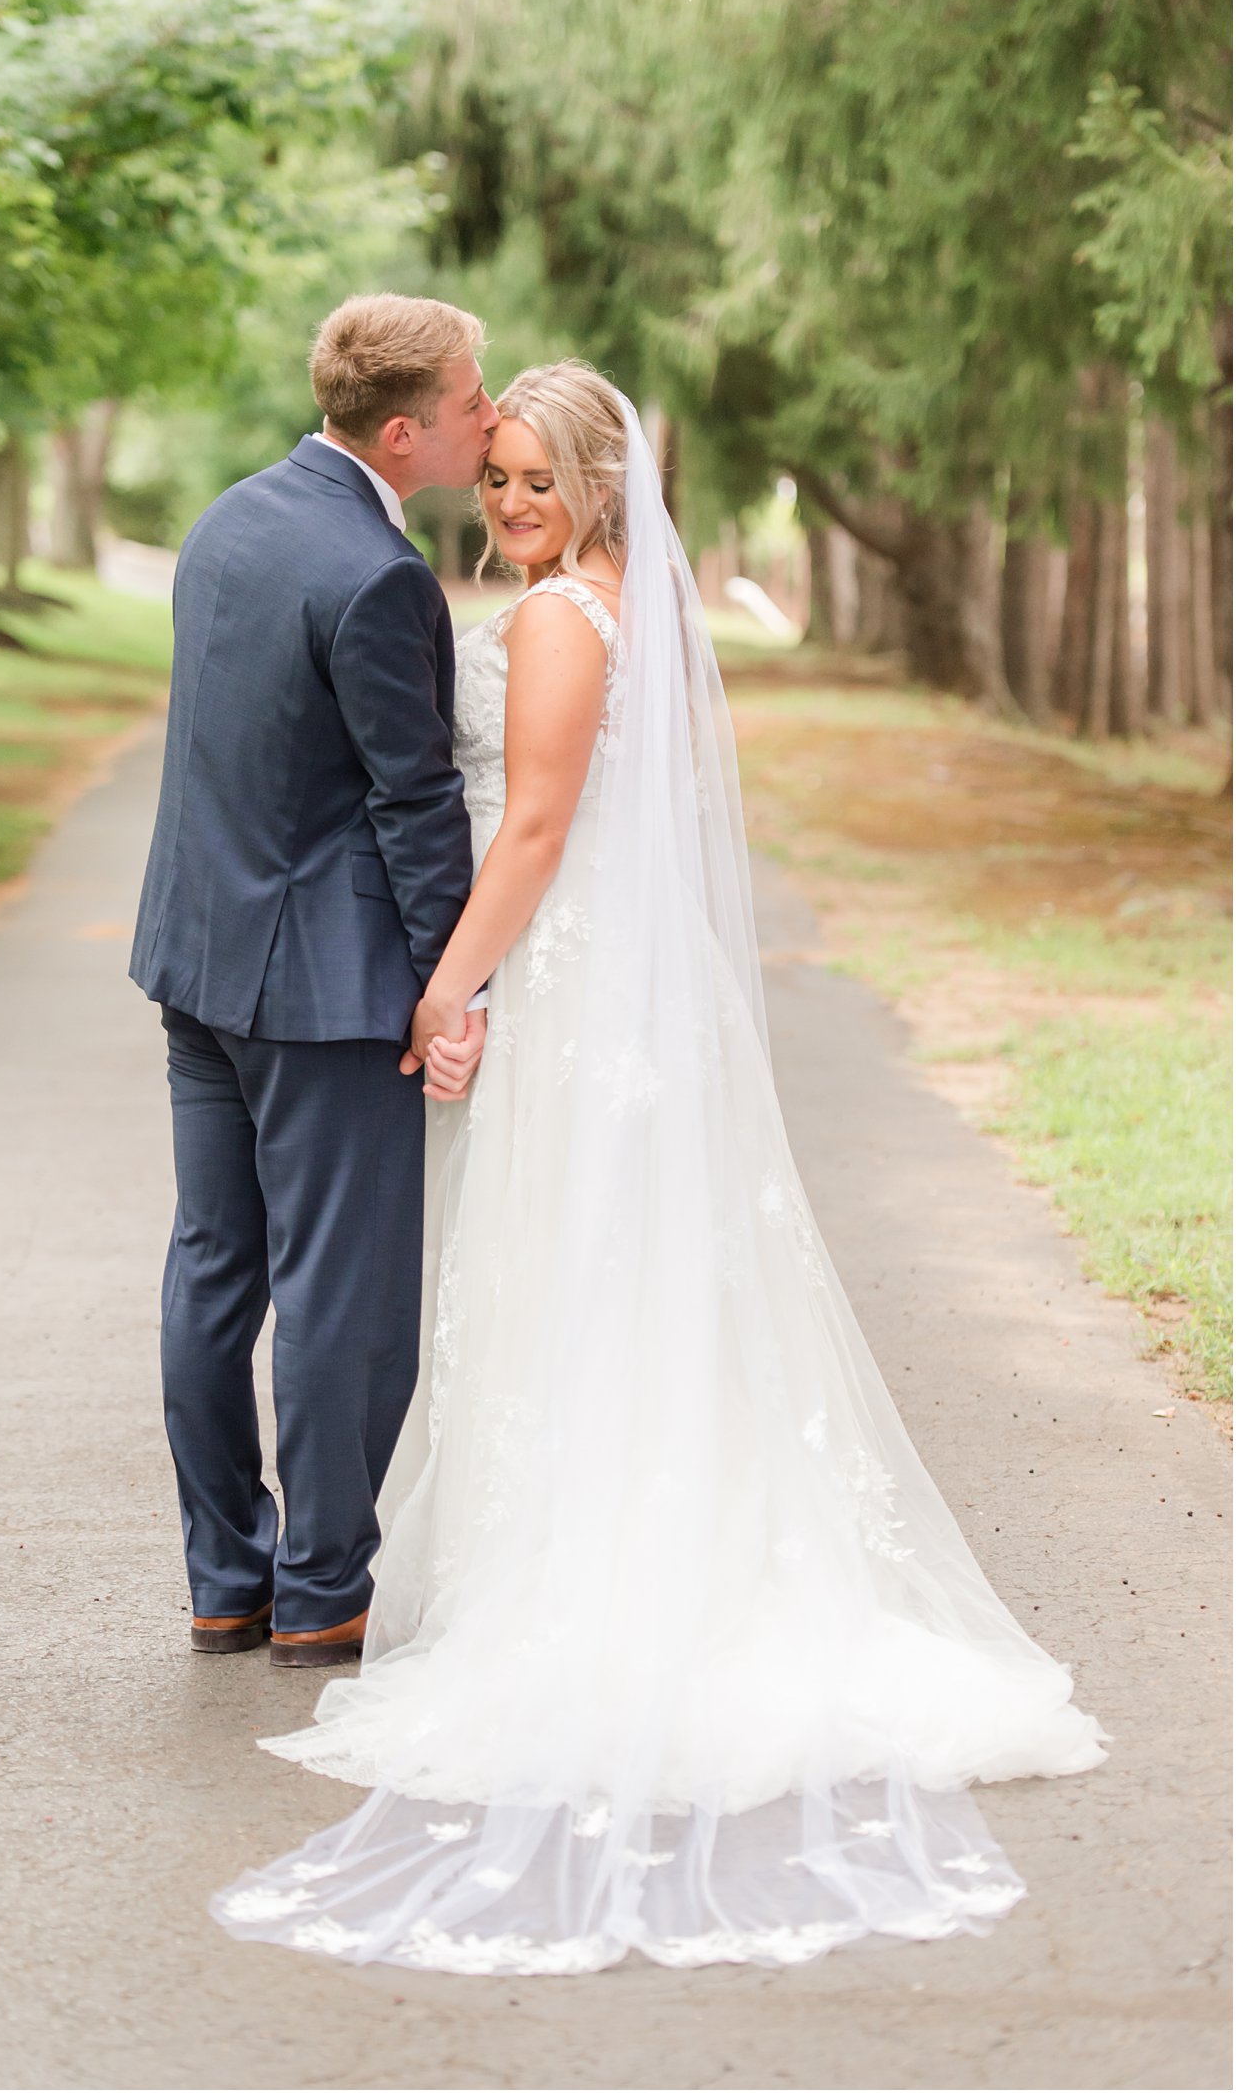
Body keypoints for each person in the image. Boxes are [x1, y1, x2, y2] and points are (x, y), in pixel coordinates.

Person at [211, 361, 1108, 1975]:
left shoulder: (565, 621)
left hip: (560, 981)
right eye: (496, 481)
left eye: (538, 479)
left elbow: (538, 829)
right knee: (591, 1276)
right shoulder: (596, 601)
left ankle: (596, 1583)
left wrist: (447, 981)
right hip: (591, 979)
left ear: (603, 486)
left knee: (567, 1273)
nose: (510, 505)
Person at [130, 294, 495, 1670]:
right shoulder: (378, 574)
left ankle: (227, 1576)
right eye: (471, 396)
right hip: (326, 992)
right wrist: (451, 981)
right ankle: (324, 1586)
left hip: (198, 959)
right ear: (405, 432)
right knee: (344, 1290)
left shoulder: (227, 521)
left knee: (215, 1268)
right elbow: (413, 805)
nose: (488, 408)